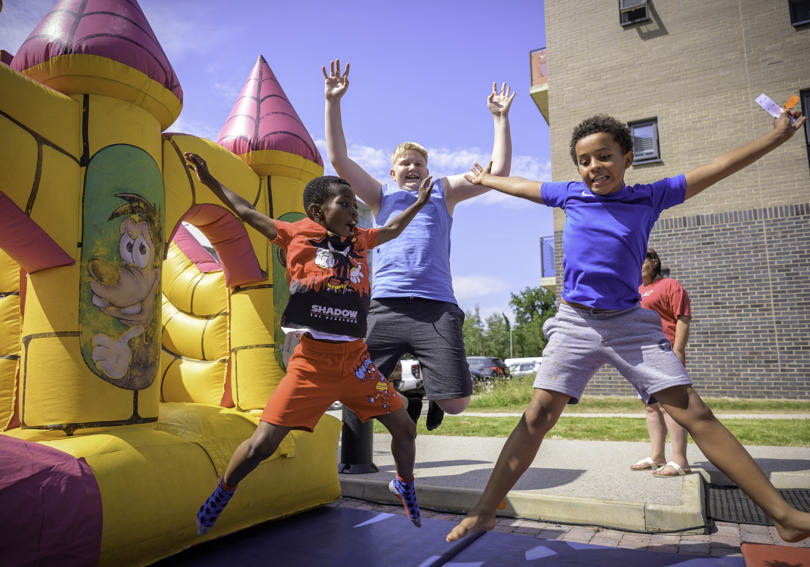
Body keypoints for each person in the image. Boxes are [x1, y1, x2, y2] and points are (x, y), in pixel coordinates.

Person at [446, 106, 810, 544]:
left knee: (696, 413)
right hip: (575, 321)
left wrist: (775, 139)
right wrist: (486, 180)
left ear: (627, 158)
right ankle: (485, 511)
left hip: (631, 325)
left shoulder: (649, 197)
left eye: (604, 156)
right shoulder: (569, 195)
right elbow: (524, 186)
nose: (593, 167)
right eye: (584, 160)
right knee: (537, 415)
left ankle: (783, 516)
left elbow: (717, 167)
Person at [184, 152, 432, 536]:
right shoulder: (295, 233)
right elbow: (246, 211)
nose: (354, 212)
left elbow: (394, 228)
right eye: (345, 205)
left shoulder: (362, 241)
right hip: (311, 363)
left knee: (405, 427)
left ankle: (404, 483)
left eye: (355, 206)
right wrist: (210, 181)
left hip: (355, 362)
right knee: (261, 446)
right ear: (318, 210)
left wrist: (417, 204)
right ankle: (223, 490)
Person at [323, 59, 515, 430]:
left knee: (456, 403)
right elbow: (339, 160)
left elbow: (499, 173)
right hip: (387, 305)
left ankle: (436, 395)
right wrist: (333, 101)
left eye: (419, 164)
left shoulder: (443, 191)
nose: (412, 169)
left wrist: (500, 118)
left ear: (428, 170)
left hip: (436, 306)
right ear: (392, 172)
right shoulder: (381, 196)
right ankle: (407, 398)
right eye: (405, 164)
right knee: (353, 387)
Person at [630, 248, 693, 477]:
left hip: (665, 353)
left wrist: (678, 351)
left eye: (641, 261)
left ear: (654, 262)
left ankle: (680, 460)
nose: (636, 266)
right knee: (651, 407)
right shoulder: (635, 291)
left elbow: (683, 317)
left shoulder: (670, 285)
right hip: (642, 358)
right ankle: (657, 456)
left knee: (671, 407)